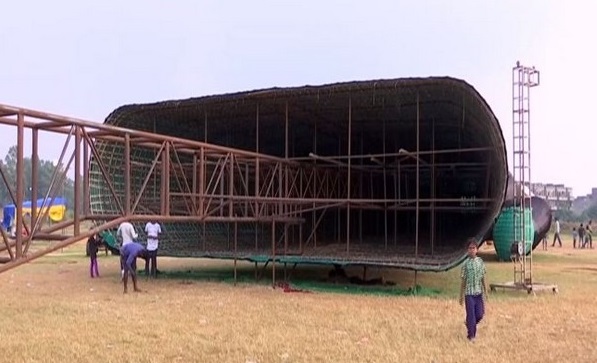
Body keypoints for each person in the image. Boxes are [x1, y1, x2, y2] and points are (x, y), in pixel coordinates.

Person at [459, 238, 487, 342]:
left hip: (478, 293)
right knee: (471, 315)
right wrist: (461, 296)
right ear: (467, 250)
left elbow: (483, 277)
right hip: (469, 294)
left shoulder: (480, 262)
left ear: (477, 249)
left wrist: (486, 291)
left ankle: (469, 324)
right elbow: (463, 281)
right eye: (470, 248)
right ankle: (471, 336)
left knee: (479, 314)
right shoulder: (465, 264)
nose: (471, 250)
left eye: (473, 248)